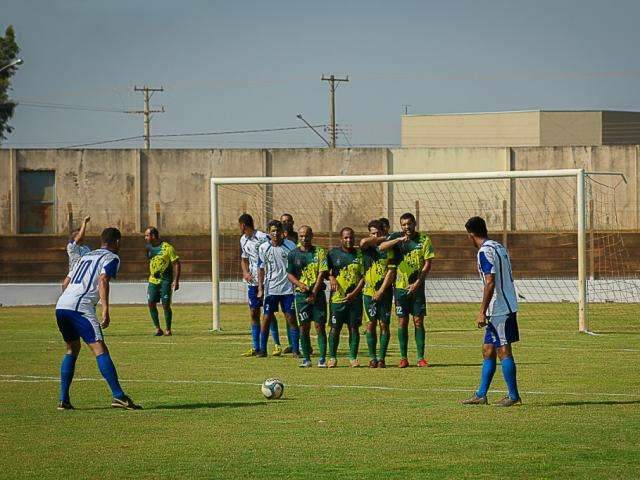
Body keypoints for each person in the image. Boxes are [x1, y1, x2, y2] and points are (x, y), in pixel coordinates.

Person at [55, 227, 141, 410]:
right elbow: (103, 279)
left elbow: (65, 283)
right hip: (80, 307)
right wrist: (105, 309)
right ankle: (118, 396)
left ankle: (63, 399)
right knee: (99, 349)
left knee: (72, 348)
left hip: (61, 305)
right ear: (117, 242)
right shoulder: (111, 257)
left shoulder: (85, 256)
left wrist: (69, 300)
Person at [462, 216, 521, 407]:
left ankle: (513, 395)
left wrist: (482, 311)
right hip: (504, 305)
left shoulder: (484, 252)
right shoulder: (498, 246)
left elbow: (490, 281)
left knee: (503, 351)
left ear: (471, 235)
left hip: (500, 309)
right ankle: (481, 394)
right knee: (488, 350)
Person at [380, 212, 434, 368]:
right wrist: (397, 240)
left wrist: (418, 282)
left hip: (417, 287)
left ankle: (420, 358)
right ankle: (403, 358)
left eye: (409, 224)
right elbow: (381, 247)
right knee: (402, 322)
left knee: (418, 321)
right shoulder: (397, 238)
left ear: (414, 223)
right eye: (403, 224)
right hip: (400, 288)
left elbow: (427, 263)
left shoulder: (424, 239)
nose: (407, 227)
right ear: (401, 226)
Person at [238, 214, 283, 356]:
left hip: (267, 281)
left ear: (243, 225)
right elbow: (244, 259)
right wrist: (245, 273)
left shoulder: (263, 236)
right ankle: (256, 347)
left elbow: (275, 248)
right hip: (252, 282)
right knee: (253, 313)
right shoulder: (243, 240)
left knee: (268, 314)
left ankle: (277, 345)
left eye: (239, 225)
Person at [287, 225, 328, 368]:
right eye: (301, 236)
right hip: (301, 296)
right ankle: (306, 358)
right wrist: (299, 284)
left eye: (306, 236)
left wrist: (314, 293)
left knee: (319, 326)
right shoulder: (293, 254)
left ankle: (322, 358)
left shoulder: (319, 252)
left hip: (318, 295)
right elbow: (289, 274)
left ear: (312, 236)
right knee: (304, 327)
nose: (304, 239)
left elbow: (322, 273)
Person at [257, 220, 300, 357]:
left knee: (291, 318)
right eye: (273, 231)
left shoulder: (291, 246)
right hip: (271, 289)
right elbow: (261, 268)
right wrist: (260, 288)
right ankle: (262, 349)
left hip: (288, 289)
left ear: (282, 232)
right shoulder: (263, 248)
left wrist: (297, 283)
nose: (275, 233)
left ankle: (295, 349)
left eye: (278, 231)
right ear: (269, 232)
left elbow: (296, 266)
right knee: (267, 318)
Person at [359, 220, 396, 368]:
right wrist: (383, 237)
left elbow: (391, 271)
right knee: (370, 325)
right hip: (368, 293)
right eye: (372, 233)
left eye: (378, 233)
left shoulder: (390, 249)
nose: (375, 236)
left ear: (383, 231)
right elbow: (362, 242)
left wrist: (381, 291)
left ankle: (382, 359)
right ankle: (372, 358)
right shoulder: (366, 248)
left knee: (384, 325)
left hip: (385, 293)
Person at [327, 227, 364, 368]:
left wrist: (354, 293)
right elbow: (326, 271)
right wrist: (331, 278)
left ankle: (353, 358)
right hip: (337, 299)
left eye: (351, 237)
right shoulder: (333, 253)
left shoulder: (359, 255)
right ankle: (332, 357)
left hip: (354, 299)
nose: (349, 240)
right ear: (341, 239)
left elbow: (363, 277)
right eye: (346, 238)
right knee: (334, 328)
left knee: (353, 328)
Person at [144, 227, 181, 336]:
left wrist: (176, 280)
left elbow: (176, 263)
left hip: (165, 281)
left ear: (153, 236)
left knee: (165, 305)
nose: (145, 238)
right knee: (151, 303)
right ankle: (157, 328)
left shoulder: (168, 248)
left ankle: (168, 329)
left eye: (147, 235)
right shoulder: (148, 248)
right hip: (153, 281)